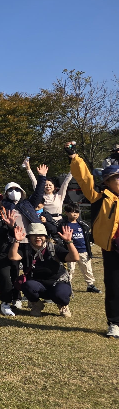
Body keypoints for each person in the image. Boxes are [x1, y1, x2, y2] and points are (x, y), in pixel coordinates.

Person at [67, 143, 119, 338]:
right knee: (114, 286)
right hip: (112, 248)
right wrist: (75, 158)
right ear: (107, 181)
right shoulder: (99, 197)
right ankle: (114, 323)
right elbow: (85, 178)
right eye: (116, 178)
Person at [7, 223, 79, 317]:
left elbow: (74, 258)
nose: (38, 238)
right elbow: (13, 257)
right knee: (28, 286)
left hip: (57, 282)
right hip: (36, 283)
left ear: (45, 236)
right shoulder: (26, 248)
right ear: (29, 237)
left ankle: (62, 305)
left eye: (40, 235)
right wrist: (17, 241)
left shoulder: (53, 248)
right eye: (34, 235)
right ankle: (36, 304)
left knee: (61, 294)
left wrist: (69, 242)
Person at [61, 203, 99, 293]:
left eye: (77, 212)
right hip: (70, 251)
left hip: (83, 251)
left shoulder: (82, 225)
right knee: (70, 269)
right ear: (66, 213)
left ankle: (90, 285)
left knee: (87, 268)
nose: (74, 214)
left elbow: (88, 236)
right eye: (72, 212)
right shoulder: (63, 225)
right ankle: (67, 286)